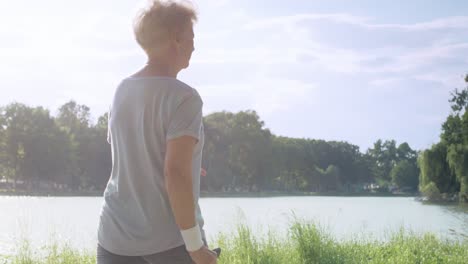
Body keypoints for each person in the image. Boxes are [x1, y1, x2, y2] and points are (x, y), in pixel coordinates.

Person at [96, 1, 217, 263]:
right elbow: (174, 173)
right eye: (191, 37)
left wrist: (190, 165)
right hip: (170, 244)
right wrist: (196, 247)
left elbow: (132, 155)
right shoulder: (185, 97)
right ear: (176, 39)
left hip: (113, 240)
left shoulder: (121, 90)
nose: (194, 46)